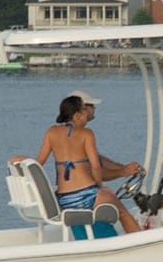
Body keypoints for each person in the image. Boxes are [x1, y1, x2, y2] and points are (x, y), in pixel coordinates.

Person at [10, 95, 141, 233]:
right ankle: (139, 239)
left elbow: (38, 162)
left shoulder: (51, 132)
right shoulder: (87, 134)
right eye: (84, 109)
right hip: (88, 196)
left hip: (65, 200)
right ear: (77, 114)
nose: (87, 112)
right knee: (122, 212)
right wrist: (100, 187)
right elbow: (96, 166)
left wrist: (24, 158)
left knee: (108, 200)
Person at [69, 90, 143, 181]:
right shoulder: (77, 136)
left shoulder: (75, 133)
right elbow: (93, 171)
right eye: (91, 105)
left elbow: (97, 159)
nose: (94, 109)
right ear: (81, 109)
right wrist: (123, 171)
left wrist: (124, 168)